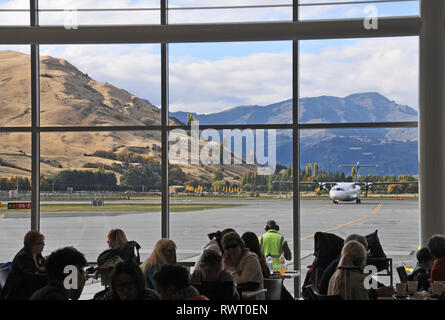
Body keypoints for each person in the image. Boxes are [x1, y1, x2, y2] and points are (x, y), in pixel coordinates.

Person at [1, 230, 47, 300]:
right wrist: (48, 277)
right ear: (31, 244)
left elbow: (44, 267)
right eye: (40, 243)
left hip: (28, 289)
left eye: (43, 242)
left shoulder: (37, 254)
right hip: (18, 293)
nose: (43, 245)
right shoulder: (23, 256)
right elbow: (31, 277)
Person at [222, 231, 265, 300]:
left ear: (241, 245)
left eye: (234, 246)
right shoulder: (226, 260)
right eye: (227, 248)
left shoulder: (251, 258)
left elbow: (240, 283)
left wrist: (231, 268)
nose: (231, 249)